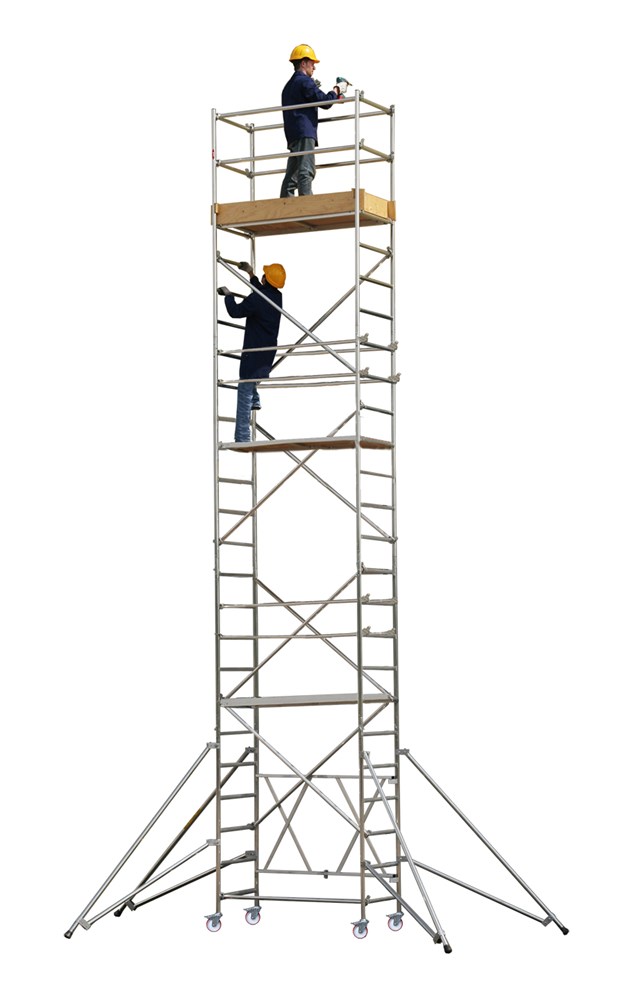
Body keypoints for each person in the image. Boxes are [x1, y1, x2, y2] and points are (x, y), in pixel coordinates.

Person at [217, 262, 286, 443]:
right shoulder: (277, 297)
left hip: (253, 352)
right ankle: (255, 400)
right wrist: (250, 274)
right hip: (267, 353)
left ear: (266, 279)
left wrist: (229, 296)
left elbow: (235, 312)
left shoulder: (257, 299)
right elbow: (261, 292)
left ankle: (242, 438)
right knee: (253, 381)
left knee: (244, 391)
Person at [280, 44, 346, 198]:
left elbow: (307, 98)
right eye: (312, 63)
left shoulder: (288, 86)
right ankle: (307, 202)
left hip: (293, 134)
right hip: (305, 132)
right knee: (306, 169)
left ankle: (285, 203)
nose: (314, 67)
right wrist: (336, 90)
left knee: (293, 173)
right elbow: (325, 102)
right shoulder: (305, 82)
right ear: (303, 63)